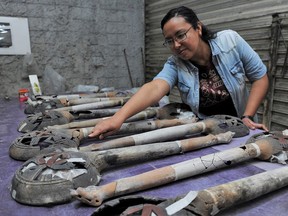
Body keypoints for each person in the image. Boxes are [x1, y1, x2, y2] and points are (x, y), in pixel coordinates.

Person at [89, 6, 269, 139]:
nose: (176, 45)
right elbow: (154, 88)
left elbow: (260, 77)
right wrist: (117, 118)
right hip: (209, 133)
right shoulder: (175, 64)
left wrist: (247, 116)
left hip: (244, 126)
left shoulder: (230, 41)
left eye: (181, 35)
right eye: (169, 41)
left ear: (198, 28)